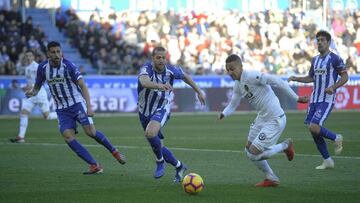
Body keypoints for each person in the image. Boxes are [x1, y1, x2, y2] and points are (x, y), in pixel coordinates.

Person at [25, 41, 126, 174]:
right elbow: (38, 86)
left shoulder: (68, 66)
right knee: (67, 136)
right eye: (53, 52)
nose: (56, 55)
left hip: (76, 104)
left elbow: (82, 85)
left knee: (91, 132)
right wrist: (32, 92)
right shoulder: (43, 68)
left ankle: (114, 151)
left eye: (58, 52)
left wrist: (89, 106)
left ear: (61, 52)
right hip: (61, 109)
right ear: (48, 54)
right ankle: (94, 165)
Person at [218, 54, 309, 187]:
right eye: (228, 70)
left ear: (241, 67)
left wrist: (297, 98)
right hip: (262, 118)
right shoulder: (237, 85)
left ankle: (285, 145)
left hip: (275, 119)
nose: (230, 73)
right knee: (248, 150)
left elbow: (277, 81)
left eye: (232, 69)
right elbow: (233, 104)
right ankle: (271, 177)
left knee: (254, 154)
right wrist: (224, 113)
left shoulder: (252, 76)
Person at [138, 46, 206, 182]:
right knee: (157, 145)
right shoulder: (147, 69)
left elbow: (186, 77)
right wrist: (159, 85)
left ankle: (159, 162)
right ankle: (179, 166)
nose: (161, 60)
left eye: (163, 57)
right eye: (158, 57)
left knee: (150, 133)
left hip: (162, 108)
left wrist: (199, 91)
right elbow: (144, 82)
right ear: (153, 58)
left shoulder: (171, 70)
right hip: (144, 112)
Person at [288, 30, 348, 170]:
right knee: (313, 131)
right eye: (318, 40)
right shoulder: (315, 60)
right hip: (314, 99)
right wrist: (297, 78)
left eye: (322, 40)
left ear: (328, 42)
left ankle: (336, 137)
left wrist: (333, 87)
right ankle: (327, 160)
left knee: (314, 126)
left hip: (326, 99)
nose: (319, 42)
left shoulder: (335, 59)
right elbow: (311, 78)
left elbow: (345, 77)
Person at [9, 50, 57, 143]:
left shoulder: (36, 67)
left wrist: (29, 86)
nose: (28, 57)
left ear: (33, 57)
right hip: (31, 94)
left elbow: (41, 80)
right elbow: (30, 82)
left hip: (39, 93)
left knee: (47, 116)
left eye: (30, 56)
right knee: (23, 113)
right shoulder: (27, 68)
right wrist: (27, 87)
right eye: (27, 56)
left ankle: (62, 114)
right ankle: (21, 137)